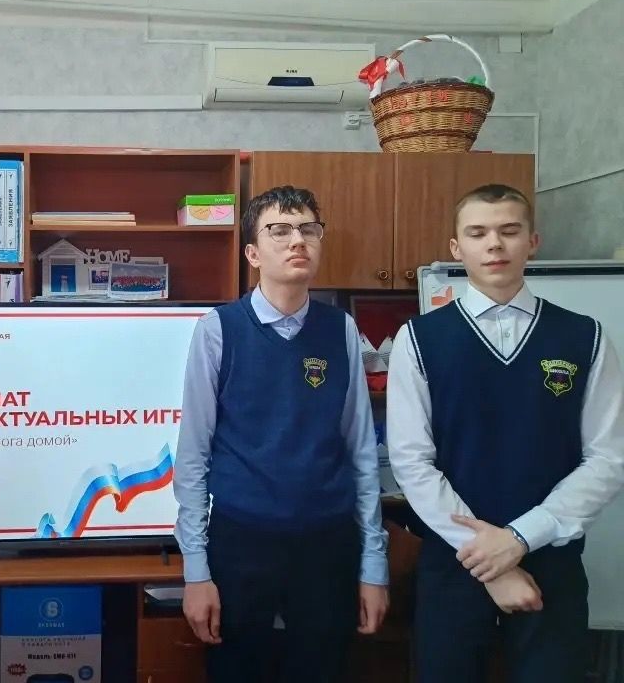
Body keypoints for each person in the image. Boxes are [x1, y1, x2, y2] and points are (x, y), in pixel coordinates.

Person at [387, 183, 624, 682]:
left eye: (509, 231)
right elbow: (411, 460)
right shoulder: (420, 338)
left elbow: (608, 458)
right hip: (454, 563)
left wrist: (519, 539)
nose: (494, 244)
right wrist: (490, 560)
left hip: (551, 561)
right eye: (478, 233)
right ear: (457, 248)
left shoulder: (585, 336)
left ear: (532, 242)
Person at [173, 185, 389, 683]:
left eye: (308, 229)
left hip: (327, 542)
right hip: (241, 540)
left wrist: (374, 566)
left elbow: (360, 450)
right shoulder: (219, 330)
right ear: (253, 254)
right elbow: (193, 457)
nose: (298, 240)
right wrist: (196, 571)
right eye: (280, 230)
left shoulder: (340, 330)